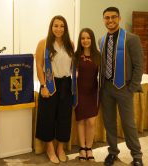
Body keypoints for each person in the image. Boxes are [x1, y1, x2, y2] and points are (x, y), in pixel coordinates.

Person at [99, 7, 143, 166]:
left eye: (113, 17)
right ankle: (112, 152)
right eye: (107, 18)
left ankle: (137, 156)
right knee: (109, 122)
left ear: (119, 18)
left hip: (124, 87)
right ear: (103, 20)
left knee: (128, 124)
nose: (110, 21)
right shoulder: (101, 40)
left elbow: (139, 66)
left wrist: (131, 88)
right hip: (106, 88)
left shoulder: (131, 39)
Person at [35, 15, 74, 163]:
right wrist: (43, 85)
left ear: (65, 28)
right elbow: (39, 66)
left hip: (66, 84)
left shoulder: (70, 44)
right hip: (50, 84)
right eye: (56, 26)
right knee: (47, 118)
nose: (59, 29)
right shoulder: (43, 44)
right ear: (51, 27)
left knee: (64, 118)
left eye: (62, 26)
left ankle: (60, 148)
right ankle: (50, 149)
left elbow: (72, 67)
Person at [72, 28, 100, 162]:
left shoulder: (98, 56)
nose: (85, 40)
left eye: (88, 38)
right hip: (79, 92)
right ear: (80, 40)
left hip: (93, 93)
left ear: (92, 39)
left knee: (91, 121)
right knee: (80, 121)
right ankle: (82, 148)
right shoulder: (75, 56)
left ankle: (89, 147)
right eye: (83, 38)